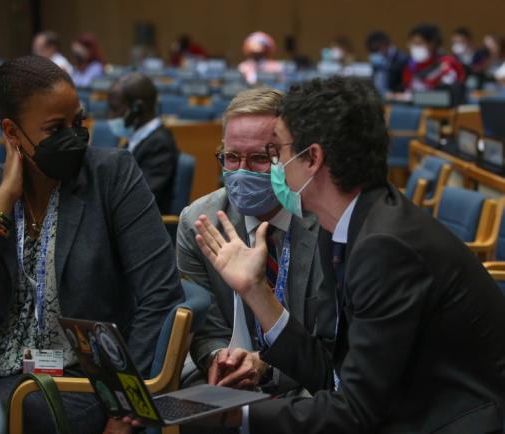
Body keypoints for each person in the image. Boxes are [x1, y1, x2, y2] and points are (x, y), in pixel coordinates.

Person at [183, 76, 505, 433]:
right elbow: (329, 370)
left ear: (313, 158)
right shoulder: (343, 225)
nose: (276, 166)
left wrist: (237, 417)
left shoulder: (385, 246)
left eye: (276, 153)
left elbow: (356, 413)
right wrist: (256, 291)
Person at [0, 55, 183, 434]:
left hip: (87, 381)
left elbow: (161, 295)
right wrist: (0, 206)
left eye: (78, 122)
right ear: (12, 133)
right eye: (55, 128)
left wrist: (125, 407)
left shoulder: (112, 176)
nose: (73, 136)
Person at [178, 87, 335, 398]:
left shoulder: (325, 222)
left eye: (260, 158)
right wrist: (221, 359)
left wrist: (265, 364)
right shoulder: (199, 220)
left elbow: (328, 341)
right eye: (231, 157)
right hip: (228, 383)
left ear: (292, 157)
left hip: (309, 384)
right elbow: (206, 329)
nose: (241, 172)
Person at [106, 72, 178, 215]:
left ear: (137, 108)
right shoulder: (135, 137)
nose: (110, 116)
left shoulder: (160, 144)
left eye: (115, 109)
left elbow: (142, 198)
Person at [401, 23, 465, 95]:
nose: (414, 48)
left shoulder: (447, 65)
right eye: (413, 44)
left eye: (419, 44)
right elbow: (408, 92)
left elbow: (449, 94)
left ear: (432, 44)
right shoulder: (411, 67)